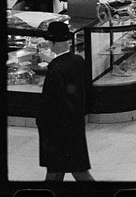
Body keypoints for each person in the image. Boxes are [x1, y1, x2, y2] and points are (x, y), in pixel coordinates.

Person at [38, 21, 94, 182]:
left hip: (57, 131)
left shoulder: (55, 70)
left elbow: (51, 104)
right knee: (66, 171)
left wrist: (42, 123)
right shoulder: (78, 61)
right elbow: (86, 92)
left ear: (52, 43)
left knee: (66, 172)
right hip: (75, 125)